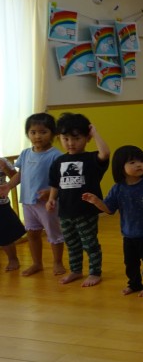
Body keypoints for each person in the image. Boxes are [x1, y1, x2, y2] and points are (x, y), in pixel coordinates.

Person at [82, 146, 143, 297]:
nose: (139, 165)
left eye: (141, 161)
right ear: (120, 167)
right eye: (132, 162)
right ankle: (134, 284)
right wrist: (97, 201)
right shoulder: (118, 189)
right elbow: (109, 209)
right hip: (129, 233)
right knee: (130, 262)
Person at [46, 113, 109, 287]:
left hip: (86, 211)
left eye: (76, 138)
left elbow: (105, 153)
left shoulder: (91, 159)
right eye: (65, 139)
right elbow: (55, 183)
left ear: (86, 138)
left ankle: (95, 272)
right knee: (72, 243)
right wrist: (51, 199)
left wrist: (95, 133)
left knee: (90, 243)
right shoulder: (59, 161)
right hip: (65, 212)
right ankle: (75, 270)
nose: (70, 143)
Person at [6, 114, 65, 276]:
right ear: (28, 134)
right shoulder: (25, 153)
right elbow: (20, 174)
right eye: (33, 132)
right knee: (32, 233)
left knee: (54, 234)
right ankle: (37, 263)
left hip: (48, 203)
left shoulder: (56, 156)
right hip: (28, 202)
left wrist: (51, 193)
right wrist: (9, 186)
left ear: (53, 134)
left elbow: (62, 180)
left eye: (43, 132)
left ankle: (58, 262)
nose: (37, 136)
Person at [0, 157, 26, 272]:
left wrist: (5, 167)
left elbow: (15, 176)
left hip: (1, 203)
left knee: (5, 234)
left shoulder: (3, 161)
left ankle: (13, 259)